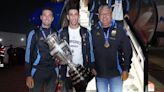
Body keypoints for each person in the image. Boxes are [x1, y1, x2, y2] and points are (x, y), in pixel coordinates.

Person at [91, 5, 132, 92]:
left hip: (116, 74)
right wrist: (92, 66)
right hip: (100, 73)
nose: (104, 16)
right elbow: (91, 51)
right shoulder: (93, 31)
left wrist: (126, 69)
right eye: (102, 14)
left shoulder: (120, 30)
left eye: (107, 14)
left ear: (111, 15)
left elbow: (127, 50)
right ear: (98, 16)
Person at [58, 7, 94, 92]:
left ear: (78, 16)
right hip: (66, 72)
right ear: (68, 17)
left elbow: (90, 51)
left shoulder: (85, 32)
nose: (73, 17)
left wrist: (92, 66)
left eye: (75, 14)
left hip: (81, 72)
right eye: (71, 15)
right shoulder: (61, 32)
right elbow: (58, 53)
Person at [25, 7, 57, 92]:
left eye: (49, 15)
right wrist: (28, 75)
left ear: (52, 18)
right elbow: (28, 55)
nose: (47, 17)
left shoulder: (56, 33)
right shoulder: (34, 33)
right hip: (37, 71)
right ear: (41, 17)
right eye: (45, 15)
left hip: (53, 72)